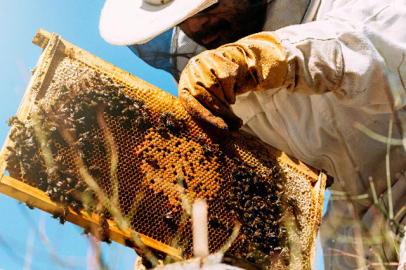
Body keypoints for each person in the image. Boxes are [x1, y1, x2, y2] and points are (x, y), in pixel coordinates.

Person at [99, 0, 406, 268]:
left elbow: (382, 46)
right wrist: (170, 232)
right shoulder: (224, 82)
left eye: (205, 6)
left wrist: (269, 57)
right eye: (180, 20)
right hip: (358, 223)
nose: (194, 26)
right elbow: (247, 189)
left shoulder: (334, 6)